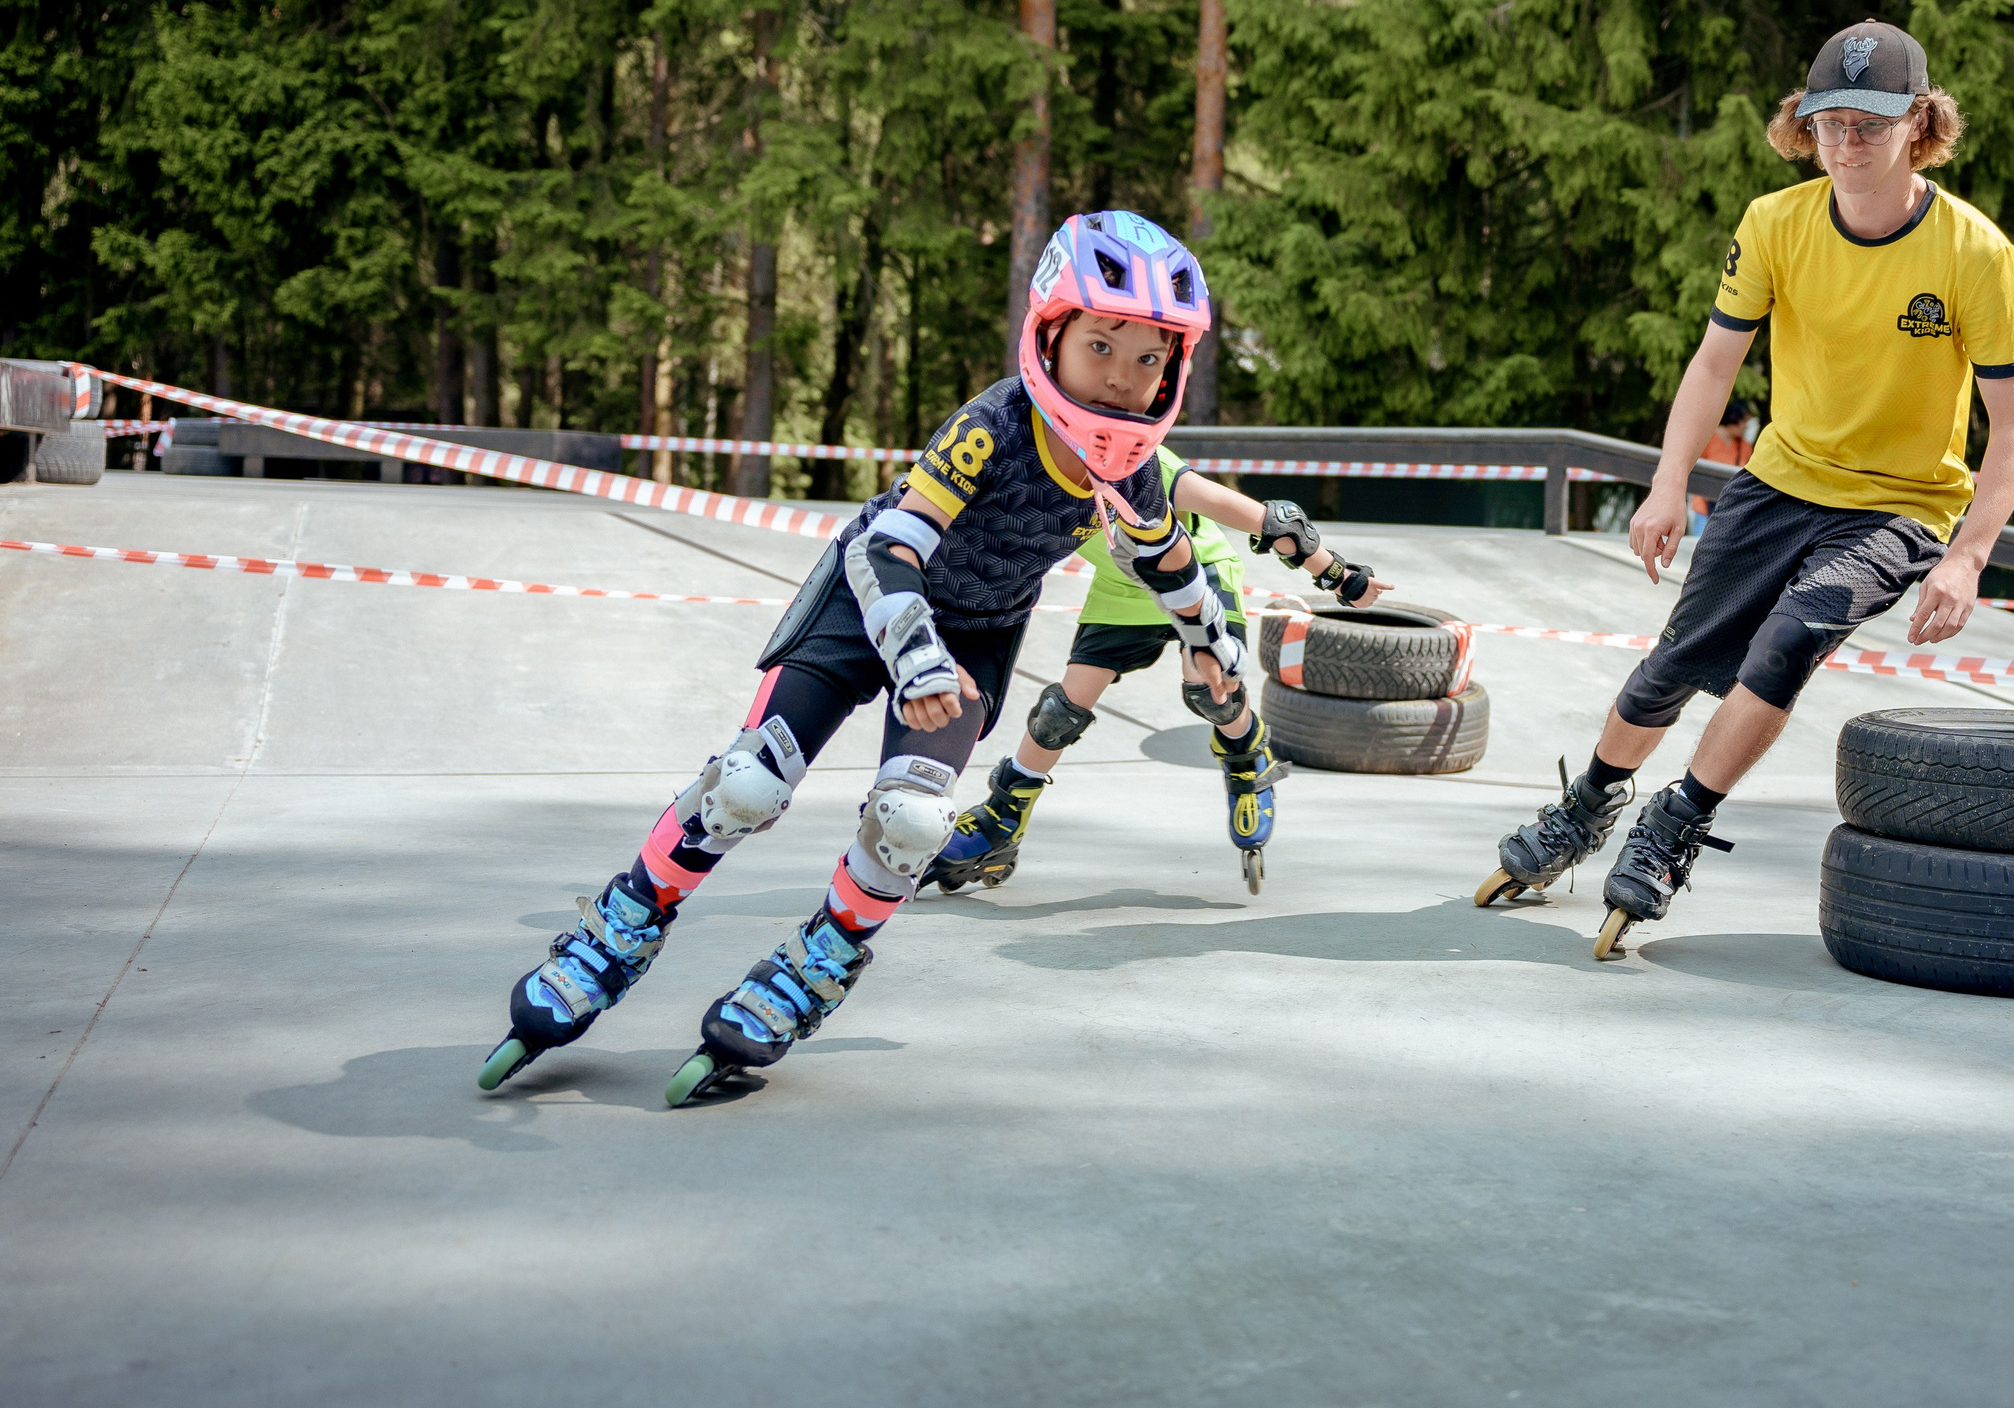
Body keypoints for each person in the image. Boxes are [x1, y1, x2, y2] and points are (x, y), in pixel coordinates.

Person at [475, 210, 1250, 1107]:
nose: (1122, 379)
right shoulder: (995, 423)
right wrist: (915, 652)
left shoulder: (1133, 469)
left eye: (1149, 358)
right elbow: (889, 547)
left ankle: (817, 961)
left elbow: (1166, 558)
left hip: (977, 635)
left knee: (914, 821)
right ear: (1050, 333)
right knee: (748, 783)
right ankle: (621, 926)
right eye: (1102, 346)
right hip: (866, 600)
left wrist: (1212, 639)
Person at [1473, 19, 2014, 959]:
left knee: (1786, 642)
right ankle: (1585, 809)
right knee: (1673, 666)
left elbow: (2012, 425)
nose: (1847, 144)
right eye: (1829, 124)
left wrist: (1971, 556)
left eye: (1870, 123)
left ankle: (1676, 821)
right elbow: (1712, 365)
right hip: (1776, 480)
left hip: (1901, 504)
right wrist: (1664, 487)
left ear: (1919, 125)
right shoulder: (1774, 224)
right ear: (1802, 126)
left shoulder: (1975, 253)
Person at [920, 448, 1393, 898]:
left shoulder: (1137, 459)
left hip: (1200, 575)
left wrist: (1337, 575)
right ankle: (1003, 819)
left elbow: (1274, 521)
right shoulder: (1025, 471)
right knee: (1059, 712)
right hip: (1124, 589)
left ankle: (1247, 756)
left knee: (1210, 691)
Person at [1687, 404, 1757, 537]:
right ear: (1733, 419)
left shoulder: (1745, 447)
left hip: (1730, 507)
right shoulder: (1707, 440)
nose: (1745, 426)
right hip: (1704, 505)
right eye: (1743, 421)